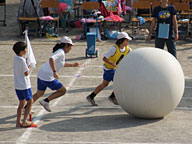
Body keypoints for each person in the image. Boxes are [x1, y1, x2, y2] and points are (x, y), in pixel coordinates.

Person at [32, 36, 79, 112]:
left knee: (39, 93)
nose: (71, 48)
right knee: (63, 91)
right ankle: (46, 101)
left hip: (41, 74)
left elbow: (61, 63)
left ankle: (26, 108)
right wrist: (54, 72)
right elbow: (51, 59)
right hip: (47, 76)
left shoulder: (60, 52)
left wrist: (72, 65)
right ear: (66, 45)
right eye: (70, 46)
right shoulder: (61, 52)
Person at [86, 32, 132, 106]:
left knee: (104, 84)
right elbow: (104, 58)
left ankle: (91, 96)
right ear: (121, 40)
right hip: (109, 69)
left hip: (116, 69)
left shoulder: (128, 49)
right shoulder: (114, 49)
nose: (128, 42)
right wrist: (111, 63)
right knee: (119, 83)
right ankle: (112, 97)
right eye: (127, 40)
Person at [13, 41, 37, 128]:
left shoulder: (16, 58)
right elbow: (26, 73)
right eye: (25, 49)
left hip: (18, 85)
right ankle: (24, 121)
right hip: (25, 85)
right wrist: (30, 66)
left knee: (21, 104)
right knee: (30, 102)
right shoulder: (22, 60)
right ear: (21, 51)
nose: (26, 50)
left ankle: (18, 121)